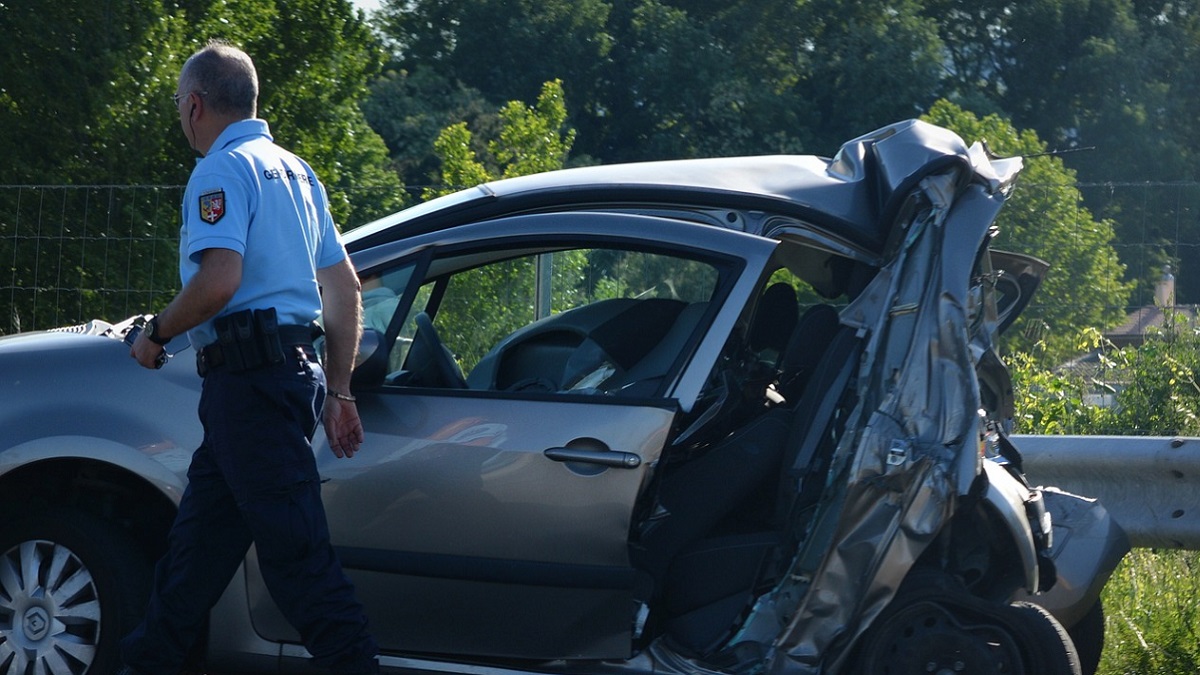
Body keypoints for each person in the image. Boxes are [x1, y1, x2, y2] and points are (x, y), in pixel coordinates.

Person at [124, 39, 378, 674]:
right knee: (193, 559)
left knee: (299, 562)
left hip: (249, 389)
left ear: (197, 105)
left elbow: (218, 282)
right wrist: (341, 393)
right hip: (283, 384)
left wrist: (155, 333)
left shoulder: (219, 169)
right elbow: (343, 287)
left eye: (181, 102)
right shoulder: (296, 171)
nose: (182, 114)